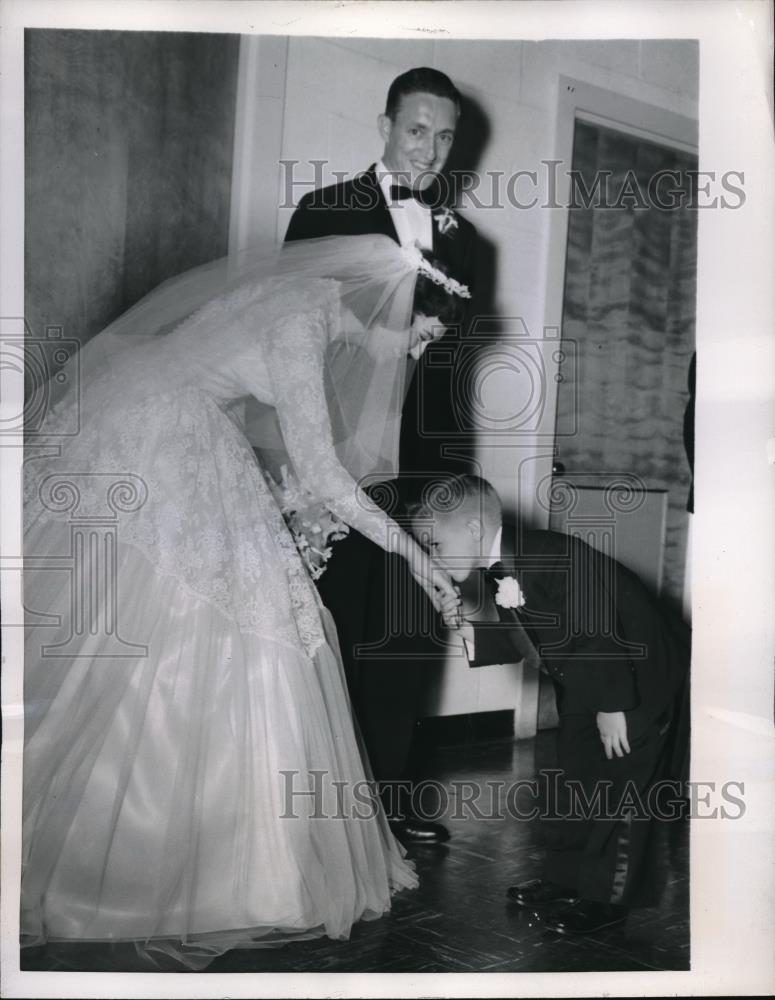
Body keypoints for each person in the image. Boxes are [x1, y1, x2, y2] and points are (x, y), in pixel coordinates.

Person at [20, 235, 468, 970]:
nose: (413, 354)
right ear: (393, 307)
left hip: (160, 419)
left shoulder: (314, 304)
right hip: (166, 437)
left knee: (185, 617)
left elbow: (284, 432)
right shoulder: (303, 323)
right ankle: (170, 861)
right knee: (206, 620)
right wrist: (418, 559)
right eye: (418, 336)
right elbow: (324, 472)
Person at [284, 67, 478, 845]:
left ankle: (393, 801)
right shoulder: (322, 212)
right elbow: (292, 334)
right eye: (415, 130)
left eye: (444, 135)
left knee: (406, 633)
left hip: (423, 474)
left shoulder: (470, 245)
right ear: (385, 124)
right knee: (332, 625)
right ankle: (323, 814)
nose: (428, 150)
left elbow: (452, 370)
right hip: (334, 463)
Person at [408, 474, 690, 936]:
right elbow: (533, 636)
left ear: (476, 530)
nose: (433, 555)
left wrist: (613, 707)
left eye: (436, 544)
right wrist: (469, 632)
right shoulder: (505, 565)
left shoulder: (551, 555)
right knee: (574, 775)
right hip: (588, 678)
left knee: (619, 792)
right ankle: (566, 877)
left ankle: (607, 898)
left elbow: (599, 630)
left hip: (637, 679)